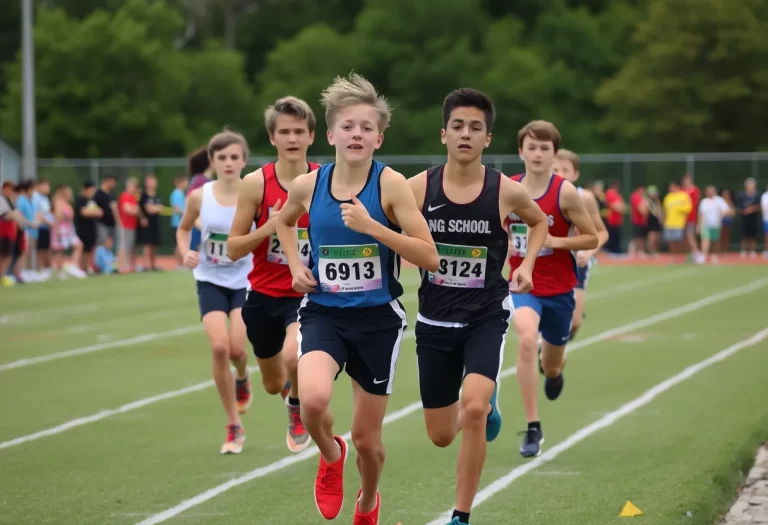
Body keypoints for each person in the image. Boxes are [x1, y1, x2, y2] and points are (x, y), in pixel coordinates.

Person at [275, 73, 438, 524]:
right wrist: (294, 265)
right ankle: (331, 455)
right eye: (348, 126)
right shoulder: (309, 186)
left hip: (377, 322)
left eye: (366, 127)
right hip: (324, 313)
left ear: (379, 138)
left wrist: (374, 228)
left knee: (369, 441)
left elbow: (430, 255)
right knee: (311, 400)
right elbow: (284, 222)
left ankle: (367, 501)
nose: (356, 134)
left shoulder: (391, 186)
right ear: (330, 134)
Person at [408, 89, 547, 525]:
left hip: (486, 315)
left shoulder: (505, 189)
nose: (465, 134)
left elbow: (539, 221)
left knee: (472, 409)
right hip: (433, 321)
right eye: (458, 126)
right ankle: (486, 405)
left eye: (475, 127)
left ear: (488, 138)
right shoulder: (418, 188)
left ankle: (461, 516)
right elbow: (391, 231)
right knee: (440, 435)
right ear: (443, 134)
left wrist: (525, 263)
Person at [227, 96, 321, 453]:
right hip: (264, 296)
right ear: (272, 138)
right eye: (285, 131)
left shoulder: (322, 182)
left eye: (299, 131)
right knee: (271, 383)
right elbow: (234, 247)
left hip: (307, 294)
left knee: (293, 356)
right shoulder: (256, 184)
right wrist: (267, 228)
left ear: (312, 135)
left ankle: (296, 405)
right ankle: (284, 392)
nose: (292, 138)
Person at [506, 121, 599, 459]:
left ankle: (554, 370)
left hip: (560, 288)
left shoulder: (564, 193)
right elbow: (500, 232)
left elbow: (591, 236)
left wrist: (553, 239)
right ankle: (533, 427)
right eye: (532, 147)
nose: (538, 153)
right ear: (521, 152)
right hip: (522, 283)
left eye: (545, 148)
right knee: (527, 338)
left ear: (553, 154)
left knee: (553, 361)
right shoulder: (508, 188)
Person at [176, 130, 254, 455]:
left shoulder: (255, 193)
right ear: (212, 161)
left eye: (234, 157)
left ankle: (242, 374)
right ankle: (234, 424)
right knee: (219, 347)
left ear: (244, 161)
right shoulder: (200, 196)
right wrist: (185, 251)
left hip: (245, 281)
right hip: (210, 279)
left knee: (237, 348)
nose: (228, 163)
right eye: (221, 157)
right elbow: (183, 229)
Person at [552, 149, 609, 342]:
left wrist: (589, 251)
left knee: (575, 321)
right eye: (555, 169)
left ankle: (557, 349)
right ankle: (549, 350)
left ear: (575, 174)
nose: (560, 173)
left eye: (565, 170)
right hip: (548, 261)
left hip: (577, 263)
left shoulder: (584, 198)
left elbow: (602, 232)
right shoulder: (538, 194)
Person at [697, 185, 731, 264]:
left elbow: (727, 210)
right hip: (706, 225)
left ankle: (714, 255)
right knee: (705, 239)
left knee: (715, 241)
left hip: (716, 225)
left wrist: (722, 214)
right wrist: (699, 225)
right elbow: (700, 214)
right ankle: (703, 256)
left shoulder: (719, 200)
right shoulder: (704, 201)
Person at [662, 181, 692, 260]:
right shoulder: (668, 197)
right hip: (669, 223)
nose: (670, 189)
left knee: (680, 241)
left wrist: (678, 207)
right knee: (671, 241)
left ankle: (684, 256)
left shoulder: (683, 196)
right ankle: (674, 257)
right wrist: (664, 221)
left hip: (680, 223)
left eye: (672, 187)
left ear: (677, 187)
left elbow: (688, 208)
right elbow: (665, 210)